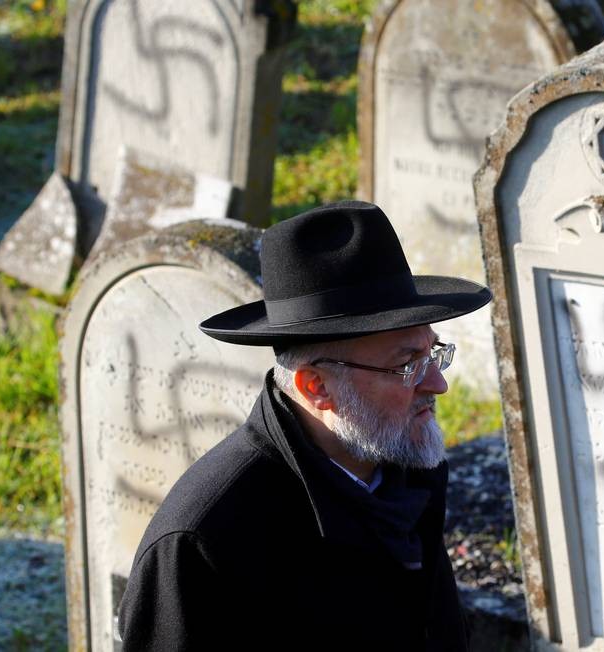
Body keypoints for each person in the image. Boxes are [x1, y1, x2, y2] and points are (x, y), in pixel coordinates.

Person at [117, 200, 493, 650]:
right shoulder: (204, 537)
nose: (438, 384)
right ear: (316, 387)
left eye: (433, 353)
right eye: (408, 364)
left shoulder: (406, 465)